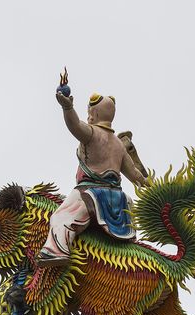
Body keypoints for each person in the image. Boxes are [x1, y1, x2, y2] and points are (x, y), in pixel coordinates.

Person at [38, 71, 149, 266]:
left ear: (94, 114)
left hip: (90, 193)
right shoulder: (119, 145)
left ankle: (57, 251)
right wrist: (150, 184)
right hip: (119, 199)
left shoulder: (91, 133)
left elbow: (74, 125)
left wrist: (67, 107)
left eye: (89, 111)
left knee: (60, 217)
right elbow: (135, 175)